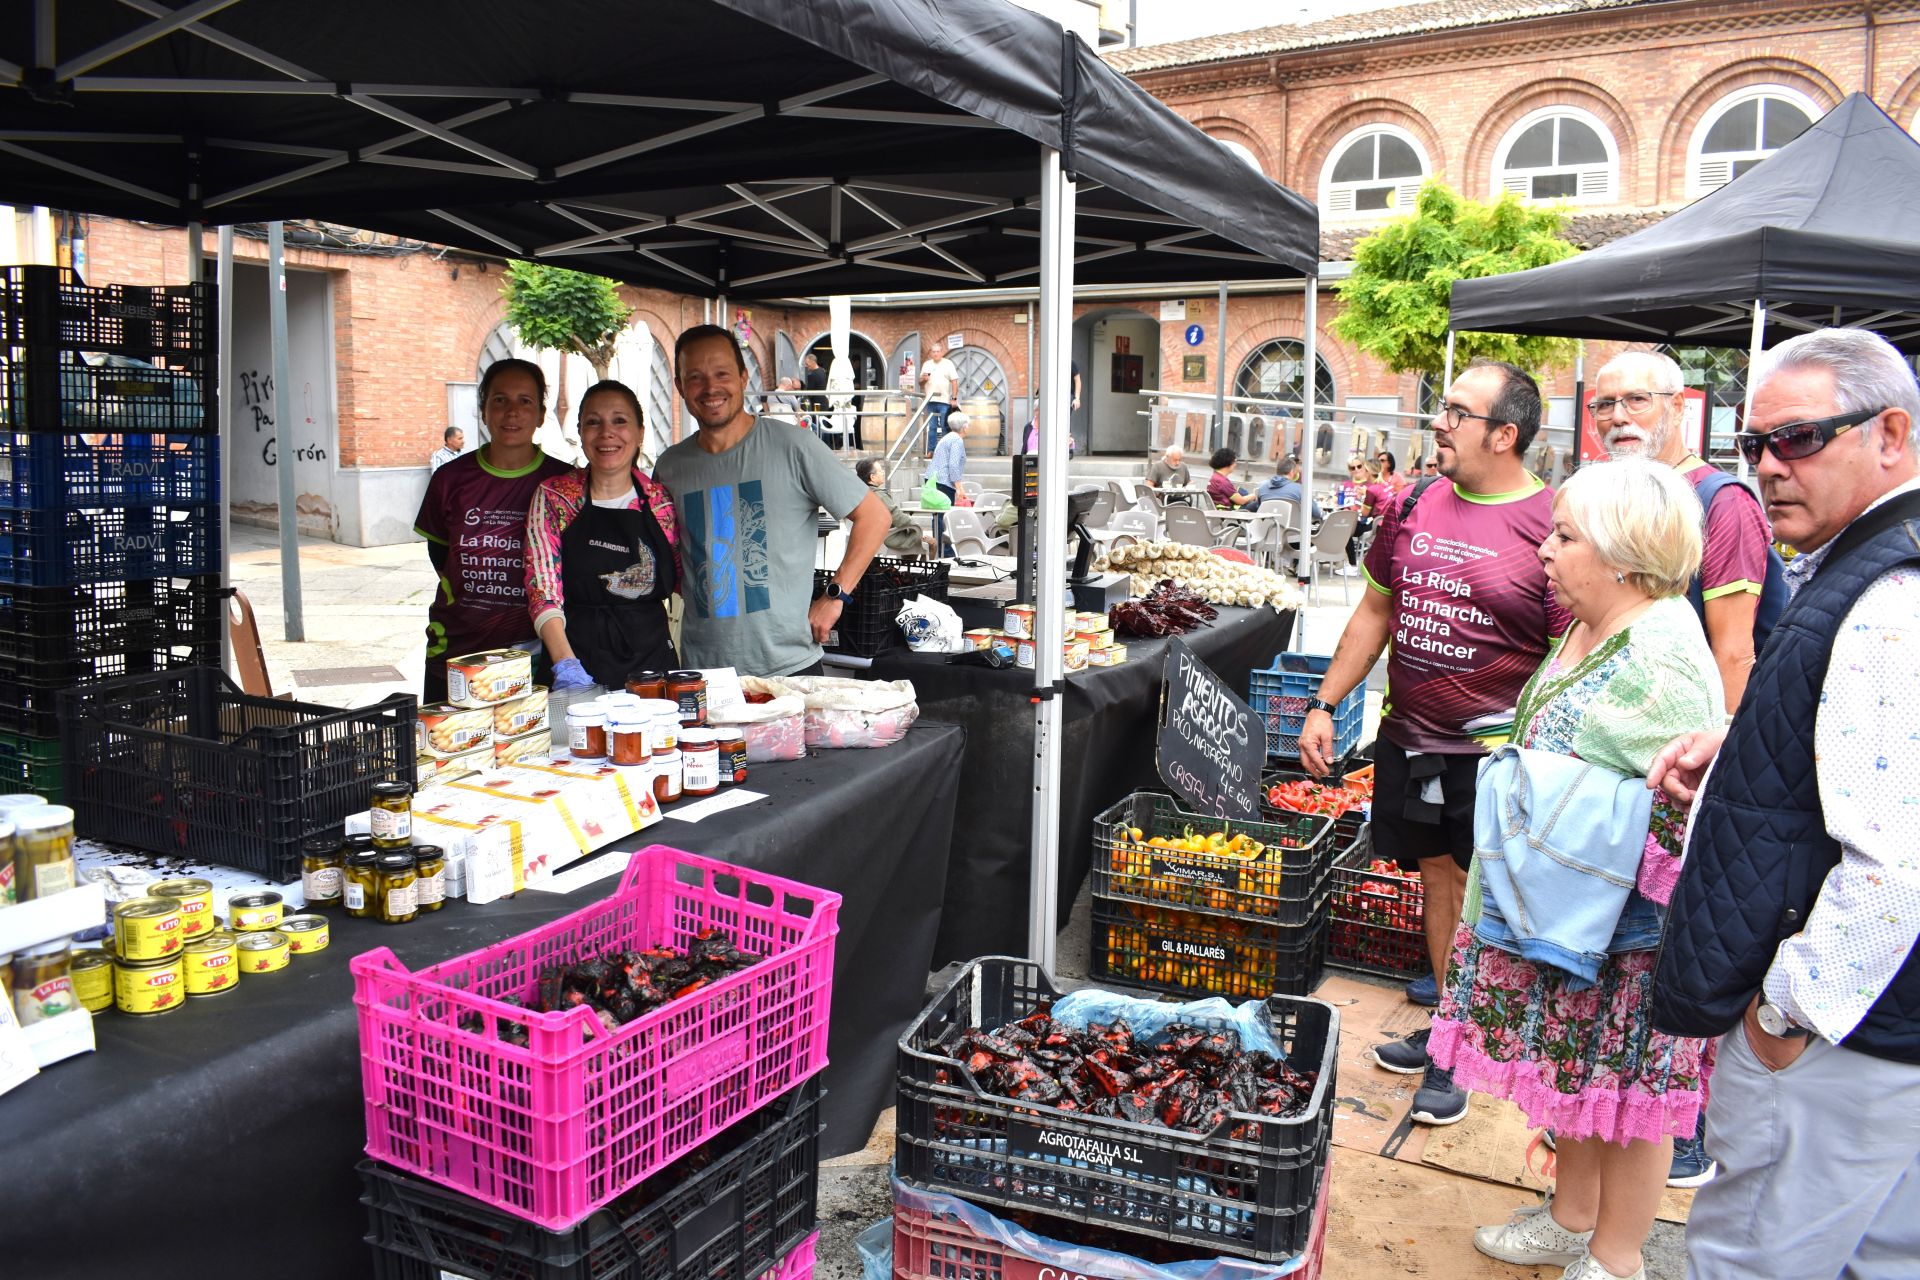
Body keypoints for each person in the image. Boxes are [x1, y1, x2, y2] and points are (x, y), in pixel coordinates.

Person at [1648, 328, 1920, 1280]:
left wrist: (1787, 1013)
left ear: (1891, 434)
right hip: (1879, 1036)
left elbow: (1900, 863)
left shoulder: (1889, 593)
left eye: (1799, 439)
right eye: (1754, 445)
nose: (1767, 467)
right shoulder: (1871, 567)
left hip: (1846, 1037)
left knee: (1752, 1257)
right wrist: (1749, 744)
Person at [1430, 459, 1721, 1280]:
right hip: (1572, 907)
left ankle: (1617, 1256)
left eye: (1565, 536)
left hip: (1625, 929)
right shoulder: (1592, 624)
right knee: (1584, 1078)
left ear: (1623, 555)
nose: (1546, 551)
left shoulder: (1662, 654)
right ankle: (1574, 1219)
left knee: (1632, 1098)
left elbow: (1676, 815)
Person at [1300, 359, 1569, 1125]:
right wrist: (1326, 704)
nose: (1440, 423)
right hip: (1412, 740)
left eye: (1458, 412)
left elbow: (1567, 652)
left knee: (1495, 900)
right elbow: (1373, 615)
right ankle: (1452, 1031)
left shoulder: (1553, 524)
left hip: (1497, 757)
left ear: (1506, 434)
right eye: (1444, 409)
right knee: (1440, 882)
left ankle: (1480, 1042)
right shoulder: (1414, 501)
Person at [655, 325, 888, 676]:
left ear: (744, 376)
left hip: (789, 667)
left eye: (722, 374)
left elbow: (875, 517)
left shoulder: (794, 446)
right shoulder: (670, 467)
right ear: (680, 387)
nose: (710, 388)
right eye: (696, 378)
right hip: (703, 674)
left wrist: (835, 596)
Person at [1594, 349, 1781, 714]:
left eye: (1636, 400)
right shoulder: (1608, 494)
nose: (1618, 417)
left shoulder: (1723, 502)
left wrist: (1716, 762)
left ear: (1677, 406)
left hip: (1682, 733)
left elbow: (1733, 652)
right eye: (1604, 405)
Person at [413, 359, 572, 701]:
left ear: (541, 414)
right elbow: (440, 555)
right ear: (483, 411)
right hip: (456, 653)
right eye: (499, 400)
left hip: (535, 656)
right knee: (451, 749)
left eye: (524, 401)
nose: (512, 412)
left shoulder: (563, 484)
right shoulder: (450, 480)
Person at [524, 380, 679, 691]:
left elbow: (683, 579)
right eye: (594, 422)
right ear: (581, 433)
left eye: (619, 421)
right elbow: (542, 587)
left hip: (652, 666)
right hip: (575, 656)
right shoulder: (556, 496)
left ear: (639, 434)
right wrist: (565, 665)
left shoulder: (661, 501)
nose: (606, 432)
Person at [857, 457, 925, 557]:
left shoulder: (862, 493)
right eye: (880, 471)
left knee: (913, 534)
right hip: (888, 537)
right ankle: (918, 571)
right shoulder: (879, 495)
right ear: (873, 477)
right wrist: (917, 527)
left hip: (871, 535)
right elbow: (897, 517)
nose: (883, 473)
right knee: (931, 542)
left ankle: (907, 570)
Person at [928, 411, 970, 556]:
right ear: (964, 427)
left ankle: (939, 548)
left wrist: (959, 486)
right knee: (943, 517)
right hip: (943, 481)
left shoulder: (947, 437)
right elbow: (953, 465)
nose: (968, 427)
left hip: (934, 479)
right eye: (968, 425)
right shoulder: (957, 440)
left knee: (938, 517)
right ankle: (945, 551)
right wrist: (959, 487)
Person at [1250, 454, 1323, 521]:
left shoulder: (1263, 488)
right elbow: (1316, 514)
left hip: (1266, 531)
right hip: (1292, 532)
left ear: (1277, 471)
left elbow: (1258, 509)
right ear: (1292, 472)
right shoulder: (1300, 490)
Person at [920, 345, 960, 454]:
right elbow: (920, 383)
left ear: (941, 352)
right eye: (934, 352)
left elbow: (954, 381)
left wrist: (954, 398)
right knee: (932, 427)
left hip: (944, 400)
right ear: (931, 353)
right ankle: (931, 451)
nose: (936, 353)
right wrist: (923, 379)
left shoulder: (948, 363)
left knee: (944, 426)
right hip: (931, 400)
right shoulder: (927, 364)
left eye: (938, 351)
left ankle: (945, 451)